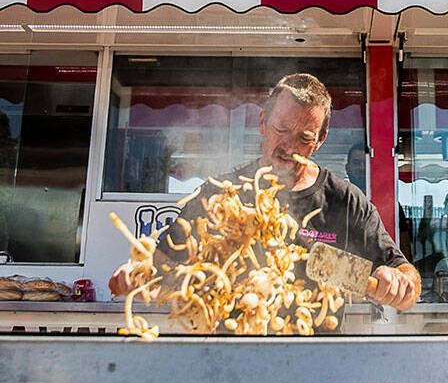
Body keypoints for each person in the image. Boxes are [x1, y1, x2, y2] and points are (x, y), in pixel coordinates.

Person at [109, 73, 421, 310]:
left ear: (321, 139)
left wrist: (400, 283)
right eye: (281, 129)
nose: (288, 146)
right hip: (232, 360)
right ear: (262, 121)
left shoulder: (345, 201)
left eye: (304, 137)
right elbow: (163, 270)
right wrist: (138, 277)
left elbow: (407, 280)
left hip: (316, 364)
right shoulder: (220, 193)